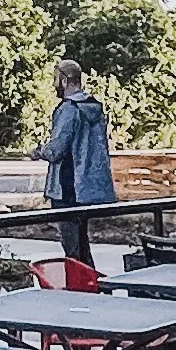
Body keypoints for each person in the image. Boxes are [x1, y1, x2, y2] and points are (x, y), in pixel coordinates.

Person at [38, 59, 114, 262]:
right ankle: (91, 286)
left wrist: (39, 151)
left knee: (72, 249)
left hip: (67, 187)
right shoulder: (94, 108)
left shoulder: (69, 109)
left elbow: (57, 149)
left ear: (64, 80)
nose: (54, 84)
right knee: (82, 245)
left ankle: (81, 289)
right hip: (87, 189)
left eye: (56, 79)